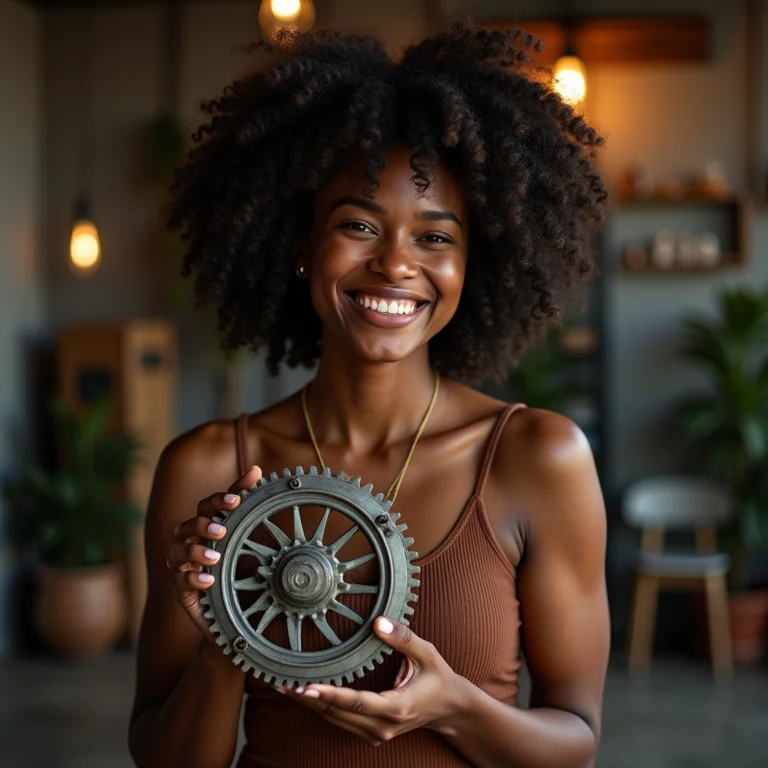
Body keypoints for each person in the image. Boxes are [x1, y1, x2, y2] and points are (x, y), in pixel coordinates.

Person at [128, 20, 610, 768]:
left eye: (435, 237)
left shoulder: (537, 459)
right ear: (299, 246)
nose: (394, 265)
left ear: (472, 262)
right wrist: (231, 637)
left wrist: (455, 709)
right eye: (358, 224)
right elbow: (163, 757)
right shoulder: (205, 469)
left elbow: (575, 743)